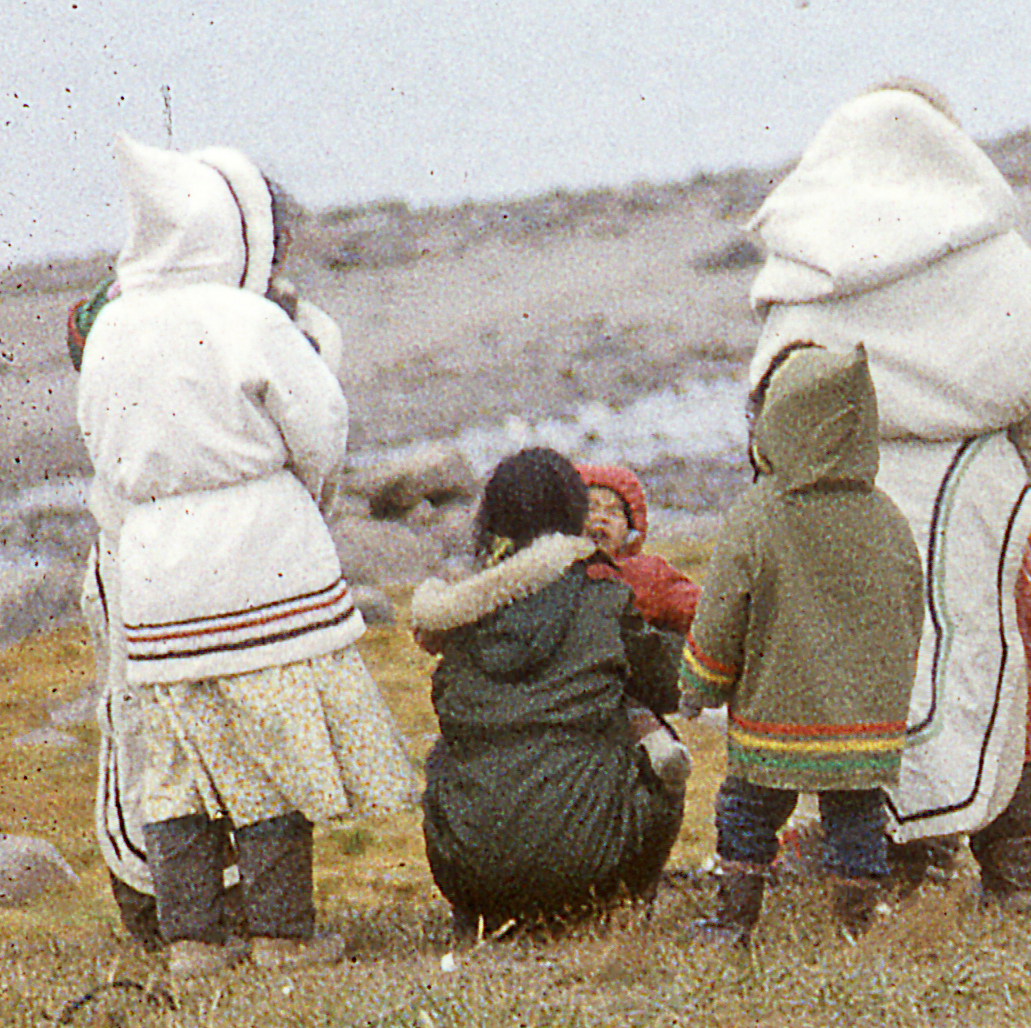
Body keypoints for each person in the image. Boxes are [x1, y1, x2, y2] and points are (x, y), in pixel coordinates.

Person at [75, 141, 416, 975]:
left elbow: (96, 438)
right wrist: (298, 495)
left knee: (177, 763)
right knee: (276, 751)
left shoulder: (114, 325)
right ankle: (282, 934)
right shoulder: (250, 319)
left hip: (155, 566)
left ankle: (190, 940)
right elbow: (319, 429)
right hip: (258, 554)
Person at [743, 82, 1031, 905]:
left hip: (838, 497)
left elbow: (769, 401)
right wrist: (1030, 482)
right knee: (994, 670)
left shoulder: (807, 260)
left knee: (858, 675)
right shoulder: (993, 251)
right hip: (975, 490)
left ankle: (896, 867)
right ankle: (1010, 874)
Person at [681, 340, 924, 940]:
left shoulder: (759, 513)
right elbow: (909, 612)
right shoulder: (885, 516)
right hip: (863, 721)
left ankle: (736, 919)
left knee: (747, 810)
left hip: (776, 717)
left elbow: (720, 616)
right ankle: (853, 924)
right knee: (856, 818)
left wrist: (699, 682)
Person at [408, 447, 689, 938]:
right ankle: (620, 904)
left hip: (471, 872)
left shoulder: (462, 615)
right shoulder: (605, 597)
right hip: (588, 866)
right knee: (658, 750)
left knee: (446, 754)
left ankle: (482, 911)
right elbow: (669, 684)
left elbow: (447, 703)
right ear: (574, 515)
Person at [577, 461, 699, 639]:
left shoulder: (648, 576)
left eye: (614, 512)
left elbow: (703, 612)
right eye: (591, 508)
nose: (601, 518)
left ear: (629, 530)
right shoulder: (548, 570)